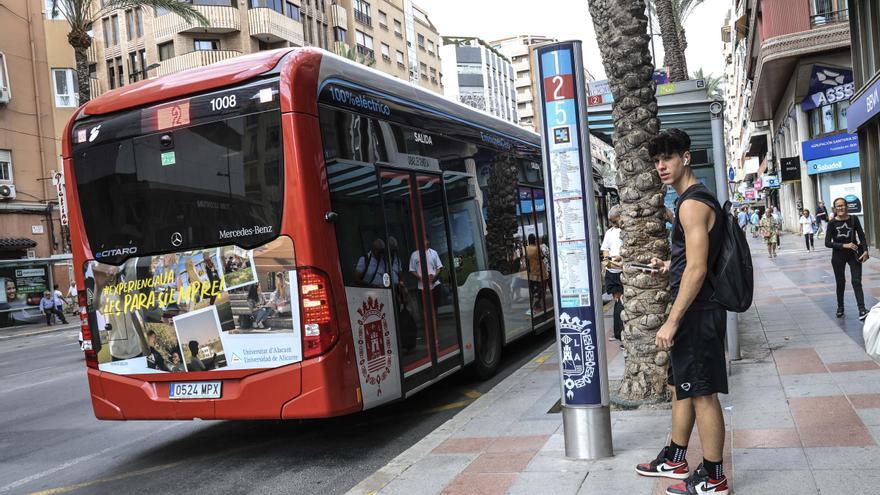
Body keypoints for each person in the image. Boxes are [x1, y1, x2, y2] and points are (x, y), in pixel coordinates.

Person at [635, 129, 730, 495]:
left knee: (703, 392)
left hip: (696, 312)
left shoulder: (692, 203)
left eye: (668, 158)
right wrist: (668, 266)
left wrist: (672, 321)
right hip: (694, 306)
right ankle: (676, 456)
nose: (661, 165)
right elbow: (690, 260)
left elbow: (697, 269)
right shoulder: (690, 200)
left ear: (685, 158)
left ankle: (714, 476)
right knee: (682, 386)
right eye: (656, 160)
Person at [825, 197, 869, 320]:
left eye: (842, 205)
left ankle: (862, 309)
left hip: (853, 254)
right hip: (838, 256)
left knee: (856, 281)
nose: (841, 208)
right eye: (838, 206)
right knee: (840, 282)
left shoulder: (854, 219)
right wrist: (844, 245)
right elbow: (827, 243)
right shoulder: (832, 223)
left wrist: (865, 250)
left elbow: (861, 236)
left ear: (847, 206)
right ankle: (840, 308)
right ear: (834, 208)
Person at [600, 207, 624, 348]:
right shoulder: (614, 232)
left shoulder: (611, 232)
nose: (615, 224)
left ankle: (618, 334)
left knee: (618, 301)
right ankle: (620, 335)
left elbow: (605, 251)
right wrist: (616, 259)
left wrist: (610, 260)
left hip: (613, 271)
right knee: (620, 302)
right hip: (618, 271)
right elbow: (605, 251)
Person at [410, 240, 443, 309]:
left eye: (426, 240)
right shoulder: (414, 254)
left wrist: (434, 277)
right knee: (426, 309)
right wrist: (420, 277)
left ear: (428, 241)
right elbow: (412, 270)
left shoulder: (433, 253)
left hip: (434, 285)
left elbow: (439, 267)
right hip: (422, 287)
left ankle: (436, 319)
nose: (425, 242)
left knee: (435, 308)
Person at [526, 234, 545, 313]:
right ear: (534, 240)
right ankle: (537, 304)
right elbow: (542, 257)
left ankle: (532, 304)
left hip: (530, 272)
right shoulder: (537, 248)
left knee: (532, 289)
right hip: (537, 272)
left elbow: (526, 259)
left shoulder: (526, 248)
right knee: (539, 289)